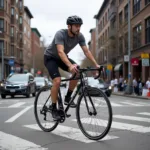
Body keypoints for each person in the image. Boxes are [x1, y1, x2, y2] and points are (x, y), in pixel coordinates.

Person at [44, 16, 100, 121]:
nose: (78, 28)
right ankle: (53, 108)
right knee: (57, 81)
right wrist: (70, 65)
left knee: (78, 72)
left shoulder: (79, 36)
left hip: (62, 58)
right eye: (76, 26)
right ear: (69, 26)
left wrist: (96, 64)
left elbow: (86, 51)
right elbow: (60, 51)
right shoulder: (60, 34)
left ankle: (68, 97)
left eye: (80, 26)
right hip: (50, 58)